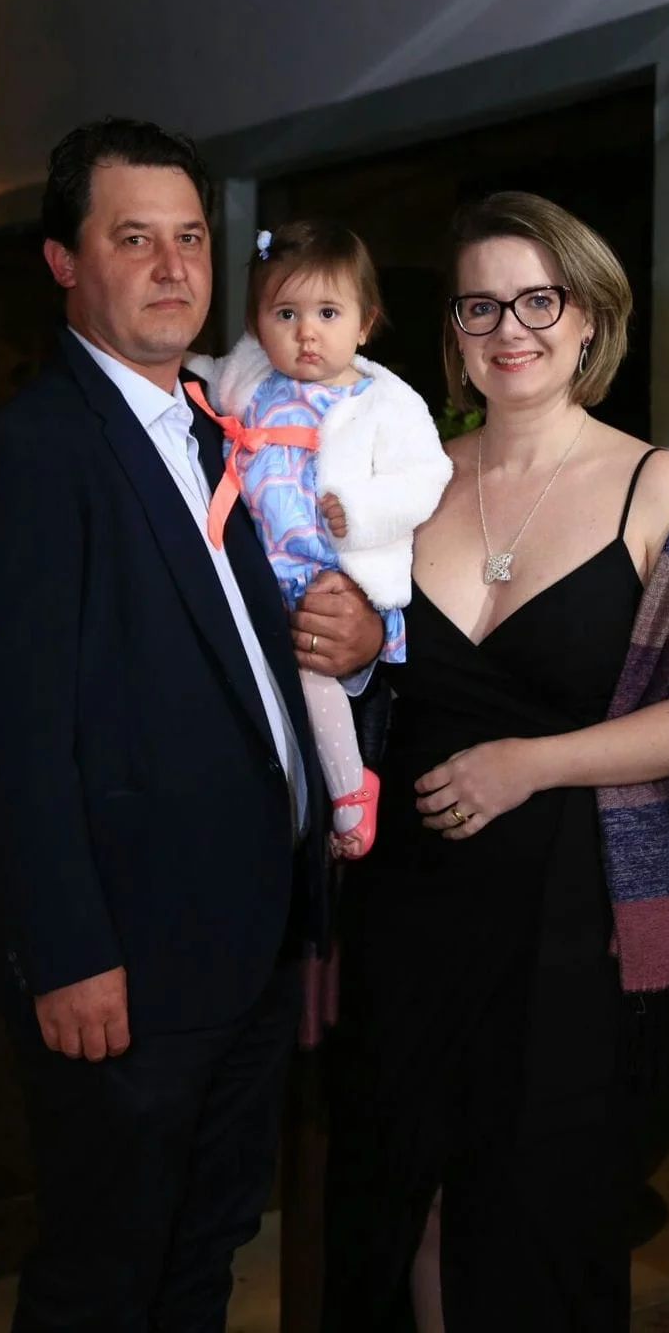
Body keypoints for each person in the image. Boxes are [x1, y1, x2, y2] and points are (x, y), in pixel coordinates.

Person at [0, 117, 383, 1333]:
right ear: (63, 261)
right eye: (135, 238)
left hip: (249, 945)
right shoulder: (28, 456)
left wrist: (356, 644)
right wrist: (69, 949)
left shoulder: (223, 427)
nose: (175, 266)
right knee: (103, 1276)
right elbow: (5, 742)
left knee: (204, 1252)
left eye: (191, 237)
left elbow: (245, 661)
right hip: (124, 962)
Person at [321, 191, 669, 1332]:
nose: (509, 327)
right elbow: (359, 685)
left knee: (538, 1214)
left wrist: (532, 763)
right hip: (404, 909)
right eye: (480, 304)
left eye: (540, 299)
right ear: (455, 330)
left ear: (589, 317)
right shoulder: (408, 487)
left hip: (576, 915)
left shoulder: (655, 486)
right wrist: (356, 650)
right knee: (407, 1197)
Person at [184, 220, 451, 859]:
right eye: (286, 314)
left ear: (364, 324)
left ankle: (351, 787)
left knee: (313, 675)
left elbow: (426, 478)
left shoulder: (382, 402)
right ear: (257, 325)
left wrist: (360, 512)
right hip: (258, 572)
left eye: (328, 313)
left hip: (328, 573)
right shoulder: (252, 381)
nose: (307, 332)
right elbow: (202, 377)